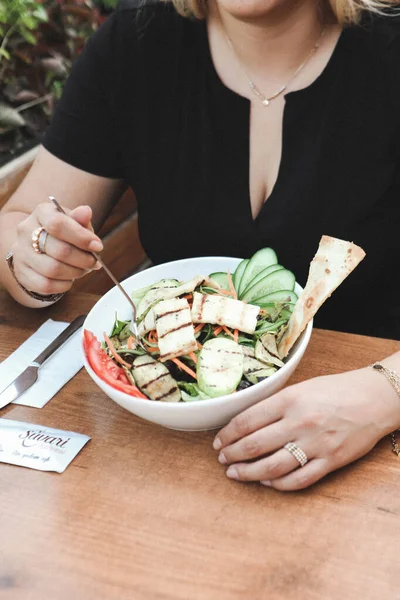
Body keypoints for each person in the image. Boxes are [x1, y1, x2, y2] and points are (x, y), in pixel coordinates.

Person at [1, 0, 400, 490]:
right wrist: (32, 259)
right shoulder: (137, 43)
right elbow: (18, 224)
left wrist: (383, 395)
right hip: (160, 459)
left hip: (370, 465)